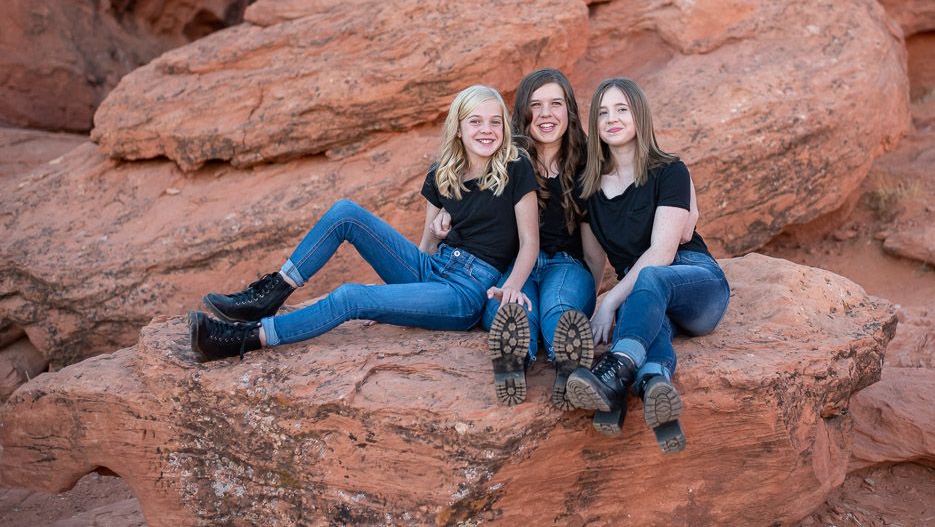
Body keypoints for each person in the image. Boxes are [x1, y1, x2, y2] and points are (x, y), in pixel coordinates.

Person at [189, 85, 539, 362]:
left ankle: (246, 338)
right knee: (345, 212)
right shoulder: (442, 173)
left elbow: (529, 243)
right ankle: (273, 291)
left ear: (504, 128)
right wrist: (402, 296)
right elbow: (426, 249)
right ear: (459, 128)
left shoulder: (515, 167)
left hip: (465, 291)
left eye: (495, 121)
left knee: (351, 296)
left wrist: (514, 284)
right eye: (475, 121)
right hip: (433, 268)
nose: (486, 130)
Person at [565, 77, 730, 454]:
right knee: (640, 312)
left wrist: (609, 301)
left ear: (639, 115)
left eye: (622, 109)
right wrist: (591, 312)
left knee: (647, 281)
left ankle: (616, 371)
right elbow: (593, 259)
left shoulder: (669, 171)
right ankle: (654, 381)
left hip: (696, 283)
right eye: (603, 113)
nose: (612, 119)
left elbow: (662, 252)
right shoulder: (588, 188)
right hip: (644, 294)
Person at [433, 69, 604, 408]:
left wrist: (592, 299)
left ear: (569, 110)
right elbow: (467, 193)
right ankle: (513, 360)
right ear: (522, 113)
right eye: (535, 105)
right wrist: (446, 217)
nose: (545, 114)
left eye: (555, 103)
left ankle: (568, 364)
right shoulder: (504, 159)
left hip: (566, 265)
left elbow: (594, 250)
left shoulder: (587, 165)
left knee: (559, 305)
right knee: (511, 307)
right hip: (514, 266)